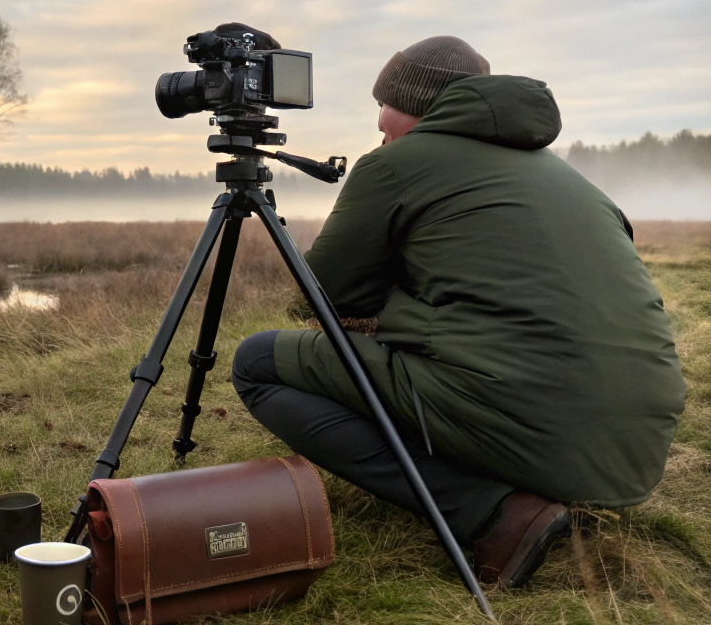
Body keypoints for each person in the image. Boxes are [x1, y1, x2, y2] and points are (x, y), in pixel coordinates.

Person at [231, 35, 685, 589]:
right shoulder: (562, 174)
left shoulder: (395, 165)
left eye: (386, 104)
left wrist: (389, 309)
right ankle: (511, 480)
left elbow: (322, 298)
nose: (378, 123)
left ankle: (493, 514)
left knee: (256, 362)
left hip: (547, 427)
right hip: (636, 448)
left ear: (423, 106)